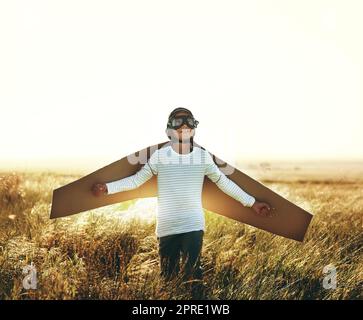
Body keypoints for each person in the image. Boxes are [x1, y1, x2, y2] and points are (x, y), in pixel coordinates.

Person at [91, 107, 271, 289]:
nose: (183, 125)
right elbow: (137, 181)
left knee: (192, 276)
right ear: (169, 130)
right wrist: (107, 188)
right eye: (178, 122)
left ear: (194, 129)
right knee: (168, 279)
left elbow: (224, 183)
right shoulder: (160, 156)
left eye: (188, 121)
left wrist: (252, 203)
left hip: (193, 224)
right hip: (166, 227)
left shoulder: (203, 157)